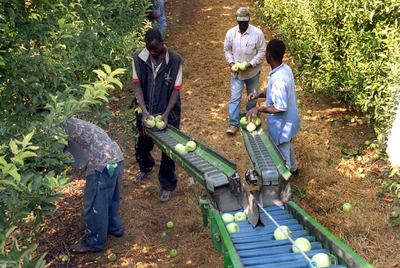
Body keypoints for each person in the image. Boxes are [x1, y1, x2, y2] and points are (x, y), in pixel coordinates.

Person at [132, 29, 183, 203]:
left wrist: (167, 114)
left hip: (168, 108)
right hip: (146, 107)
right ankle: (146, 167)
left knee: (168, 148)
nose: (152, 53)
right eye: (149, 49)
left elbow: (176, 90)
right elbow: (137, 86)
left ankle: (168, 184)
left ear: (162, 42)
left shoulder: (175, 60)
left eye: (155, 49)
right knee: (142, 141)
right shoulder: (139, 58)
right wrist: (144, 111)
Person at [62, 117, 124, 253]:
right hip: (116, 158)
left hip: (102, 164)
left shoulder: (56, 128)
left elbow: (61, 153)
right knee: (110, 196)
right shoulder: (70, 119)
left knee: (96, 203)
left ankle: (94, 242)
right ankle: (114, 227)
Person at [247, 39, 300, 179]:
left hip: (282, 125)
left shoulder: (279, 79)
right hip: (290, 120)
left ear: (269, 55)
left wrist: (258, 109)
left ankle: (285, 180)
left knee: (281, 156)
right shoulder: (284, 69)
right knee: (287, 145)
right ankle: (294, 169)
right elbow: (274, 92)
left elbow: (279, 107)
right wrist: (259, 94)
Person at [224, 7, 266, 135]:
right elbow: (227, 50)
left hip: (252, 72)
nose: (242, 24)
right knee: (235, 97)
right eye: (240, 21)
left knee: (252, 97)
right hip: (237, 72)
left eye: (244, 21)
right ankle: (233, 124)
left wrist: (250, 64)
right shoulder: (231, 33)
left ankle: (250, 120)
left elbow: (262, 51)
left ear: (249, 20)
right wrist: (231, 62)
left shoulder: (257, 33)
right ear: (236, 20)